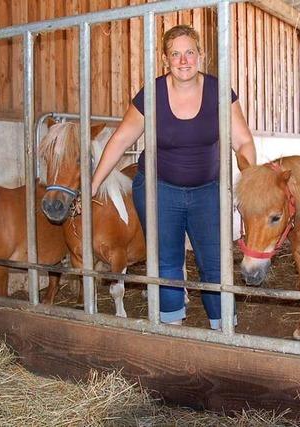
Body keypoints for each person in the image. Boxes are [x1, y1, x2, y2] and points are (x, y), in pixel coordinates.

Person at [91, 25, 256, 329]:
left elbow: (243, 140)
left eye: (189, 52)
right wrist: (93, 182)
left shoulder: (219, 92)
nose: (183, 60)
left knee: (215, 263)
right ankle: (171, 330)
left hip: (207, 190)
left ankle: (224, 328)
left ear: (200, 55)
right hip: (158, 188)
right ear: (166, 59)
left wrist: (250, 176)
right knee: (166, 262)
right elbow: (119, 140)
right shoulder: (151, 94)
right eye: (175, 54)